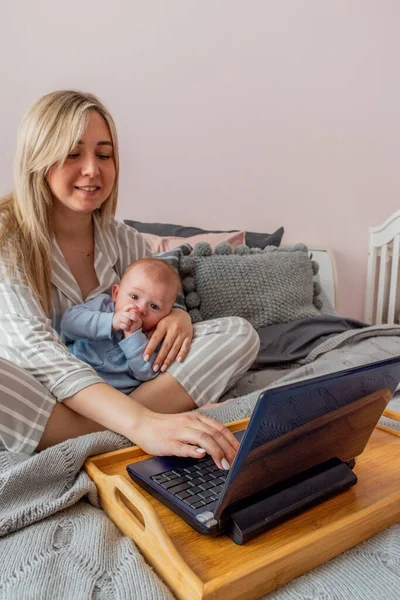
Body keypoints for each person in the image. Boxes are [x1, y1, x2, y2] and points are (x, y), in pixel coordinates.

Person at [0, 90, 260, 469]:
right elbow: (35, 351)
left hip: (119, 390)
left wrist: (177, 316)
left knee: (240, 334)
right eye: (73, 153)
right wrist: (142, 424)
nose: (92, 169)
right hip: (42, 401)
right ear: (39, 158)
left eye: (103, 155)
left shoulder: (124, 239)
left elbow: (162, 295)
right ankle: (130, 426)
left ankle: (88, 433)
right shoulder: (8, 237)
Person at [61, 258, 181, 393]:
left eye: (154, 306)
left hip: (111, 396)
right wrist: (111, 321)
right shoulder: (103, 306)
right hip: (73, 372)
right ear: (116, 294)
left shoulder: (155, 336)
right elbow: (68, 324)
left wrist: (133, 336)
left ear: (167, 313)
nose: (141, 308)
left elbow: (147, 373)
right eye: (134, 297)